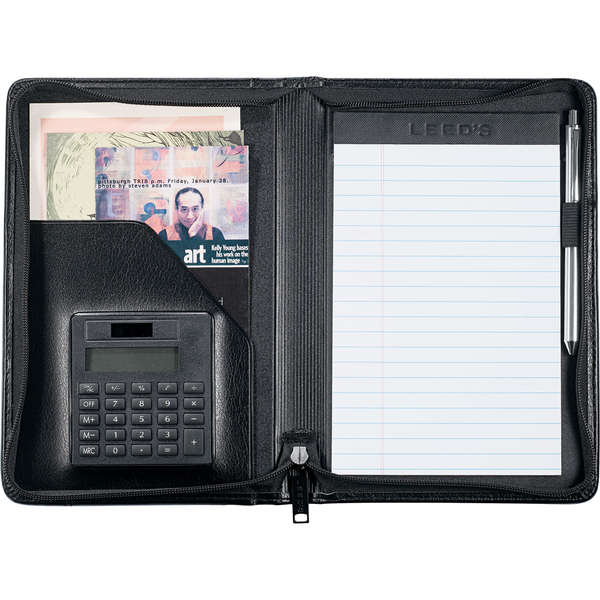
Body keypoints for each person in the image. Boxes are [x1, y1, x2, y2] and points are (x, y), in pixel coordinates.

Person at [158, 187, 225, 242]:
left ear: (202, 209)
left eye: (195, 209)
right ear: (177, 209)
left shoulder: (214, 234)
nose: (189, 216)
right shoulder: (165, 235)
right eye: (184, 209)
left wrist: (193, 234)